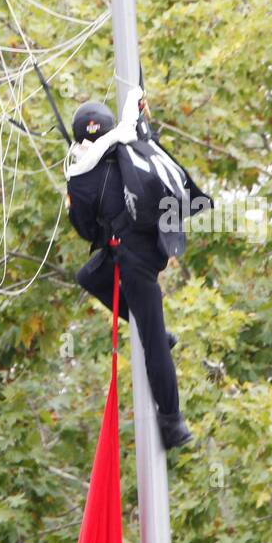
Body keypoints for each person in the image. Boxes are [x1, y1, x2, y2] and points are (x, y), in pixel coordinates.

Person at [67, 97, 193, 451]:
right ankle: (147, 324)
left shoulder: (84, 175)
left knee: (153, 343)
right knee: (90, 275)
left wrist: (76, 199)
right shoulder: (133, 146)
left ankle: (172, 422)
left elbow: (86, 230)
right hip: (151, 247)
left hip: (133, 260)